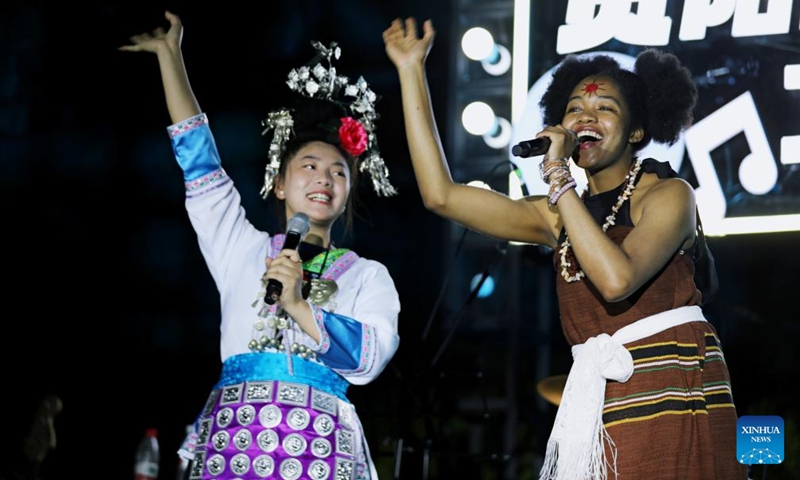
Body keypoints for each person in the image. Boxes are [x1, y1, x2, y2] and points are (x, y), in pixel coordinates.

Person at [384, 17, 746, 480]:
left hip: (674, 387)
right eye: (575, 109)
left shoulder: (669, 194)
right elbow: (440, 194)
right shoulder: (557, 214)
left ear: (637, 132)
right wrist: (411, 69)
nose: (586, 118)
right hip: (601, 399)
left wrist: (558, 176)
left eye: (606, 108)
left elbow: (616, 280)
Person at [121, 11, 401, 480]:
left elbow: (371, 357)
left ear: (348, 191)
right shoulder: (242, 249)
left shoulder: (367, 276)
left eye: (338, 173)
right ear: (279, 185)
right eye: (309, 166)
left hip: (321, 450)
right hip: (233, 443)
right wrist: (171, 58)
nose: (323, 178)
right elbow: (200, 167)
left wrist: (299, 306)